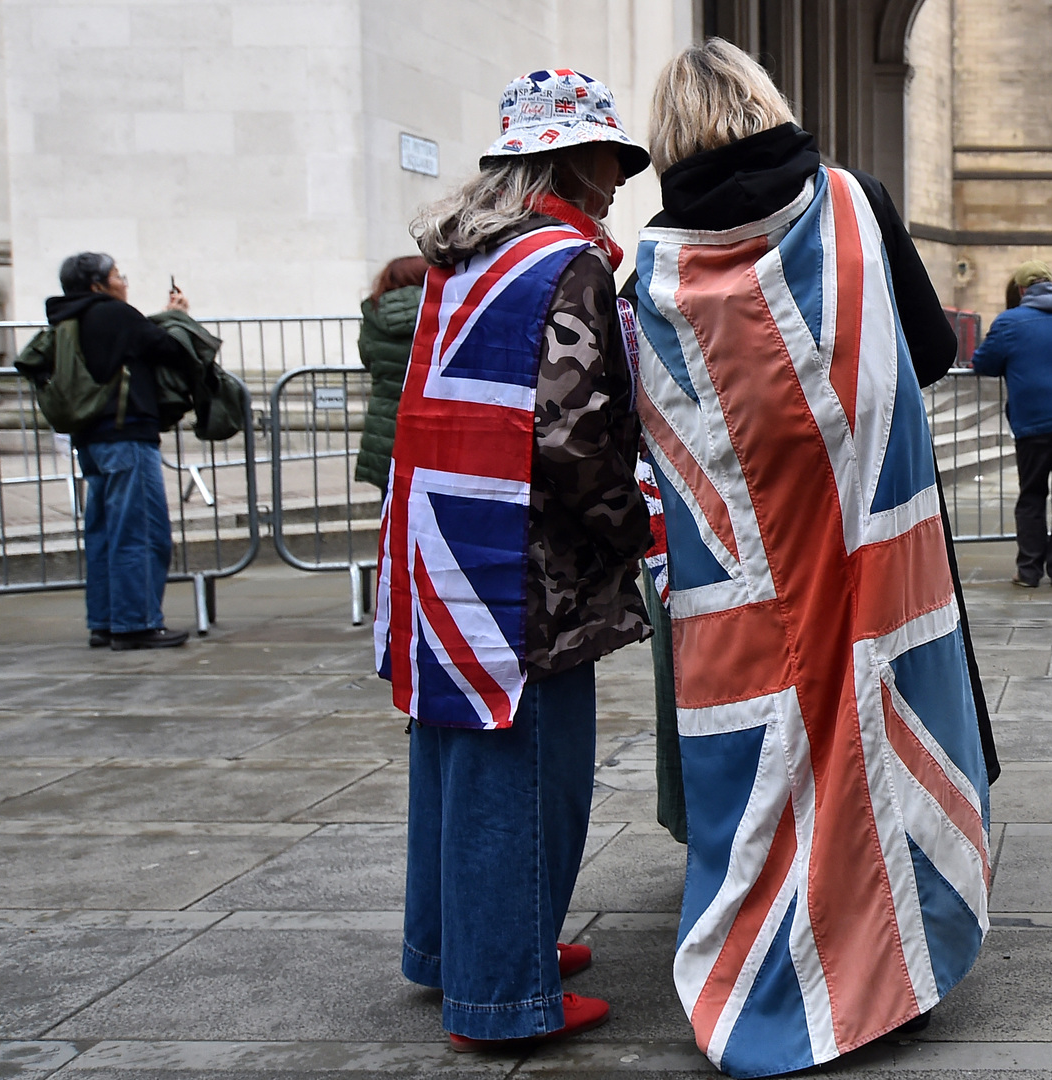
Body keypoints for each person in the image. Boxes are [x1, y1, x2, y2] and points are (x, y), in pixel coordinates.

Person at [632, 39, 992, 1078]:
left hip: (744, 571)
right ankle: (897, 975)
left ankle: (771, 969)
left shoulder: (652, 261)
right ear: (767, 103)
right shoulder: (852, 203)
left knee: (774, 765)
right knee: (884, 747)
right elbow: (927, 350)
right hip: (873, 545)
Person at [378, 69, 653, 1050]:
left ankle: (458, 945)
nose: (619, 175)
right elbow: (574, 431)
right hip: (525, 563)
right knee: (527, 764)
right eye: (607, 156)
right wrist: (636, 526)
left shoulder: (469, 252)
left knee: (453, 755)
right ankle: (502, 992)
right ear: (561, 157)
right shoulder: (564, 260)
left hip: (442, 538)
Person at [44, 253, 200, 651]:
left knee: (103, 533)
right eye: (117, 276)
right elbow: (168, 348)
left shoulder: (67, 318)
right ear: (98, 285)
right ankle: (136, 624)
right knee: (140, 532)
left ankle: (105, 622)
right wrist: (177, 315)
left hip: (91, 440)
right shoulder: (115, 315)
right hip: (127, 435)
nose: (123, 281)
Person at [971, 260, 1052, 588]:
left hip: (1037, 422)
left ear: (1022, 289)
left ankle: (1029, 571)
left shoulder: (1010, 321)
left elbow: (984, 363)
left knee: (1032, 495)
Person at [353, 255, 429, 492]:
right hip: (428, 416)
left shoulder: (374, 311)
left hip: (386, 422)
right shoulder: (439, 306)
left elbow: (367, 357)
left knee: (391, 505)